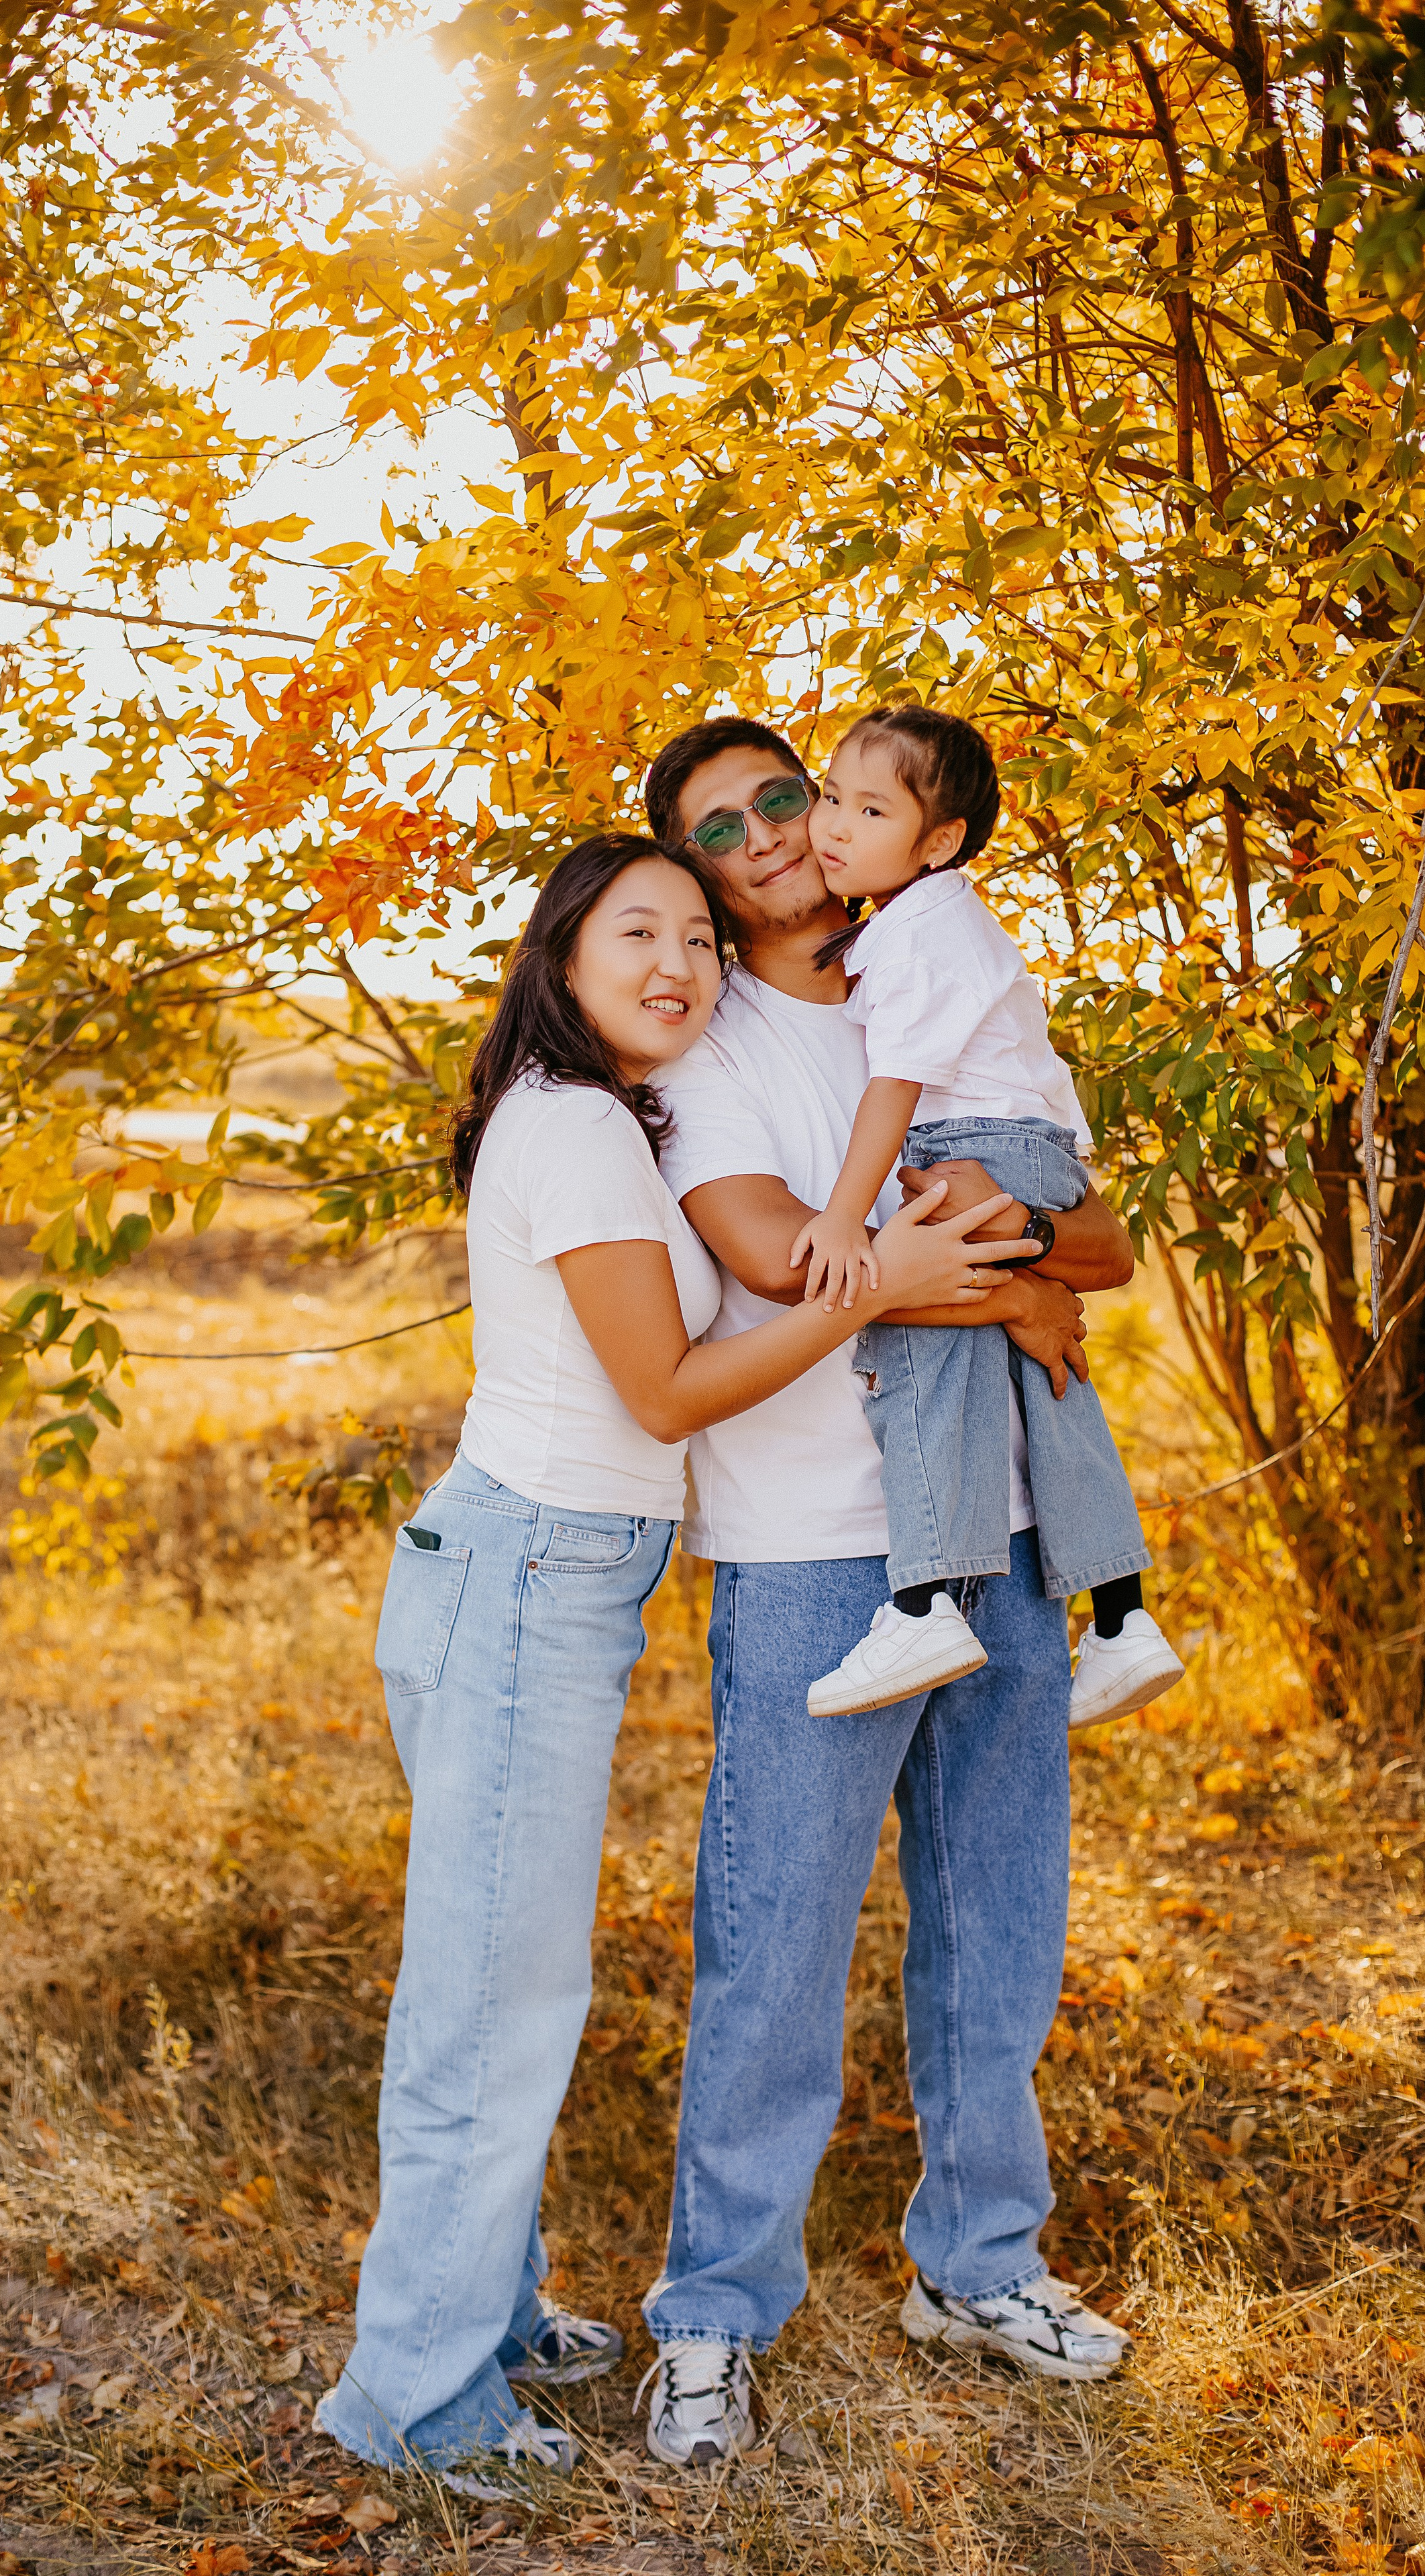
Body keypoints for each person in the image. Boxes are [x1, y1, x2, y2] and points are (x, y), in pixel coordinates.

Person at [314, 830, 1026, 2486]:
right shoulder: (568, 1128)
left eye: (700, 938)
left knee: (512, 1977)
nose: (680, 962)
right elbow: (668, 1393)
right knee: (487, 2003)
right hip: (525, 1571)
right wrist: (881, 1289)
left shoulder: (606, 1125)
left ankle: (481, 2320)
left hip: (560, 1571)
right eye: (637, 931)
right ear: (558, 960)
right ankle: (413, 2405)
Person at [635, 718, 1137, 2471]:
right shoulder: (698, 1051)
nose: (769, 833)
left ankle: (980, 2265)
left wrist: (999, 1264)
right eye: (724, 828)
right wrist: (1007, 1287)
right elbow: (788, 1260)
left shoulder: (943, 963)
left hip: (991, 1537)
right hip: (810, 1557)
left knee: (999, 1934)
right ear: (698, 875)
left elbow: (1102, 1237)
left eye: (788, 794)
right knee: (772, 1948)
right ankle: (710, 2325)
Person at [792, 705, 1185, 1729]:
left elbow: (896, 1088)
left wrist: (844, 1219)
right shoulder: (935, 919)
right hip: (1026, 1146)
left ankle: (927, 1602)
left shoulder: (919, 937)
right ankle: (1121, 1616)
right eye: (831, 795)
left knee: (915, 1338)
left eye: (869, 809)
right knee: (1049, 1378)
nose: (832, 824)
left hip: (971, 1144)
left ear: (939, 842)